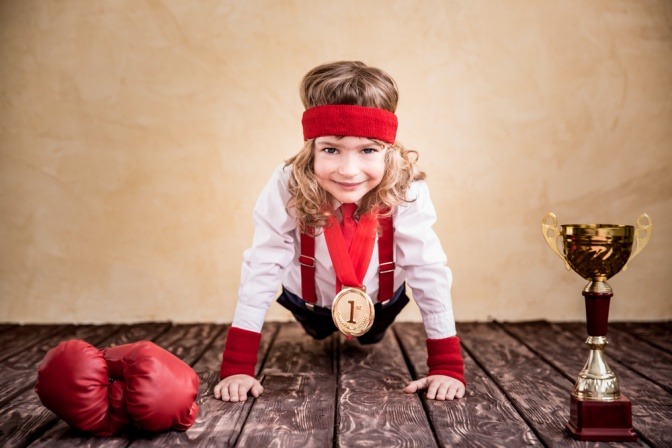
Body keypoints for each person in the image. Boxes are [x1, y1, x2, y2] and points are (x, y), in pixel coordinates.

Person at [213, 61, 466, 403]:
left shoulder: (408, 187)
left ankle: (371, 332)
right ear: (311, 147)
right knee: (314, 329)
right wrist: (237, 366)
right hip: (307, 304)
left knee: (372, 339)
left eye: (368, 150)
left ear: (388, 149)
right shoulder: (287, 182)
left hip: (382, 303)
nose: (349, 171)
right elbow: (263, 263)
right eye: (331, 149)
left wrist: (446, 366)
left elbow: (427, 268)